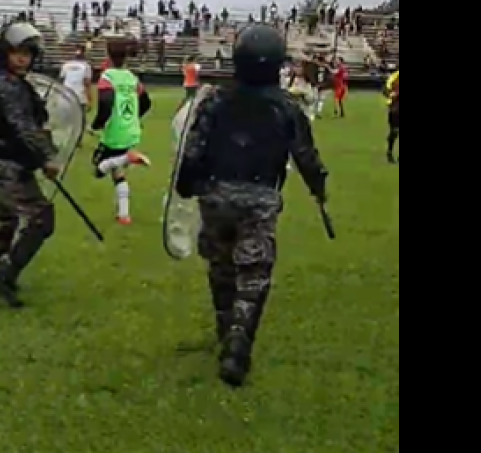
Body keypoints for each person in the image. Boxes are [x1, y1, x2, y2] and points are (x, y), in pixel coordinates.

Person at [173, 24, 328, 388]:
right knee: (253, 272)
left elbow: (193, 150)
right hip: (259, 199)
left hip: (215, 195)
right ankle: (239, 342)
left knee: (220, 266)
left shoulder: (214, 101)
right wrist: (319, 189)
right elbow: (306, 155)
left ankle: (225, 326)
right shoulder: (287, 107)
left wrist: (186, 184)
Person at [0, 22, 62, 308]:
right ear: (5, 53)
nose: (22, 59)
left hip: (3, 161)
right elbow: (22, 126)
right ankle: (4, 274)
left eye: (27, 54)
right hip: (7, 165)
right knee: (42, 218)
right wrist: (46, 156)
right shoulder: (7, 86)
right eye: (17, 53)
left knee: (6, 219)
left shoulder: (6, 82)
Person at [89, 36, 152, 225]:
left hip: (114, 133)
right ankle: (124, 215)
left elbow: (106, 103)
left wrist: (97, 124)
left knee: (98, 169)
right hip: (130, 132)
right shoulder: (132, 78)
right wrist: (133, 119)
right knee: (118, 174)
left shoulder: (107, 77)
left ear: (108, 54)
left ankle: (127, 158)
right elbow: (146, 103)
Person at [59, 45, 93, 112]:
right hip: (80, 96)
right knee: (81, 116)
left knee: (68, 116)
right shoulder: (86, 66)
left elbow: (61, 80)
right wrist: (89, 99)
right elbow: (87, 83)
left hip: (67, 95)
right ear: (84, 53)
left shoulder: (66, 65)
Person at [384, 68, 400, 163]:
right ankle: (389, 152)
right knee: (394, 132)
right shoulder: (394, 77)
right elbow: (385, 90)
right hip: (395, 109)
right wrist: (391, 94)